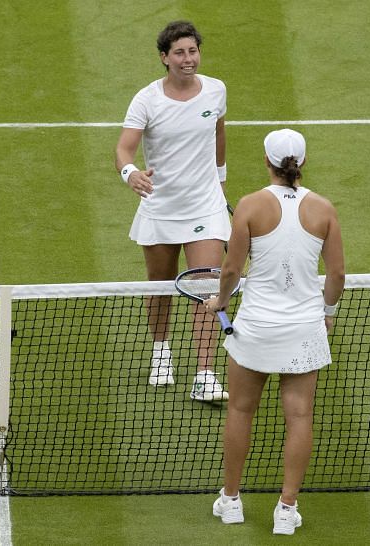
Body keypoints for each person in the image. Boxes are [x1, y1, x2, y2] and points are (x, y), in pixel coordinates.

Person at [204, 129, 345, 534]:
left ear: (266, 160)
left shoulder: (250, 206)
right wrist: (328, 312)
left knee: (240, 411)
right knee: (300, 416)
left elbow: (231, 269)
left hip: (256, 330)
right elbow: (335, 274)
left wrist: (221, 301)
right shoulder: (323, 209)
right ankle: (286, 510)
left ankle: (230, 501)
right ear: (302, 163)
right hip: (303, 329)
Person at [114, 21, 230, 401]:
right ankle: (161, 351)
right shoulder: (146, 100)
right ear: (164, 58)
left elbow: (218, 132)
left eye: (192, 51)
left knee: (206, 288)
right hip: (161, 207)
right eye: (179, 53)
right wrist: (131, 174)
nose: (188, 59)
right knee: (160, 287)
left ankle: (205, 373)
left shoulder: (216, 90)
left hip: (205, 206)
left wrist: (221, 179)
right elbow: (124, 150)